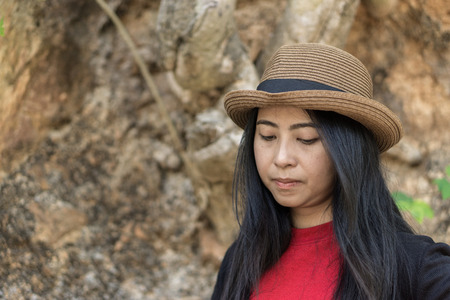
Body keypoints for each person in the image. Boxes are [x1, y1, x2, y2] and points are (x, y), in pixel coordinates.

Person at [211, 43, 450, 300]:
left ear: (348, 149)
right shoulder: (240, 261)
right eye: (268, 136)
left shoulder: (414, 266)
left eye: (306, 138)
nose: (281, 158)